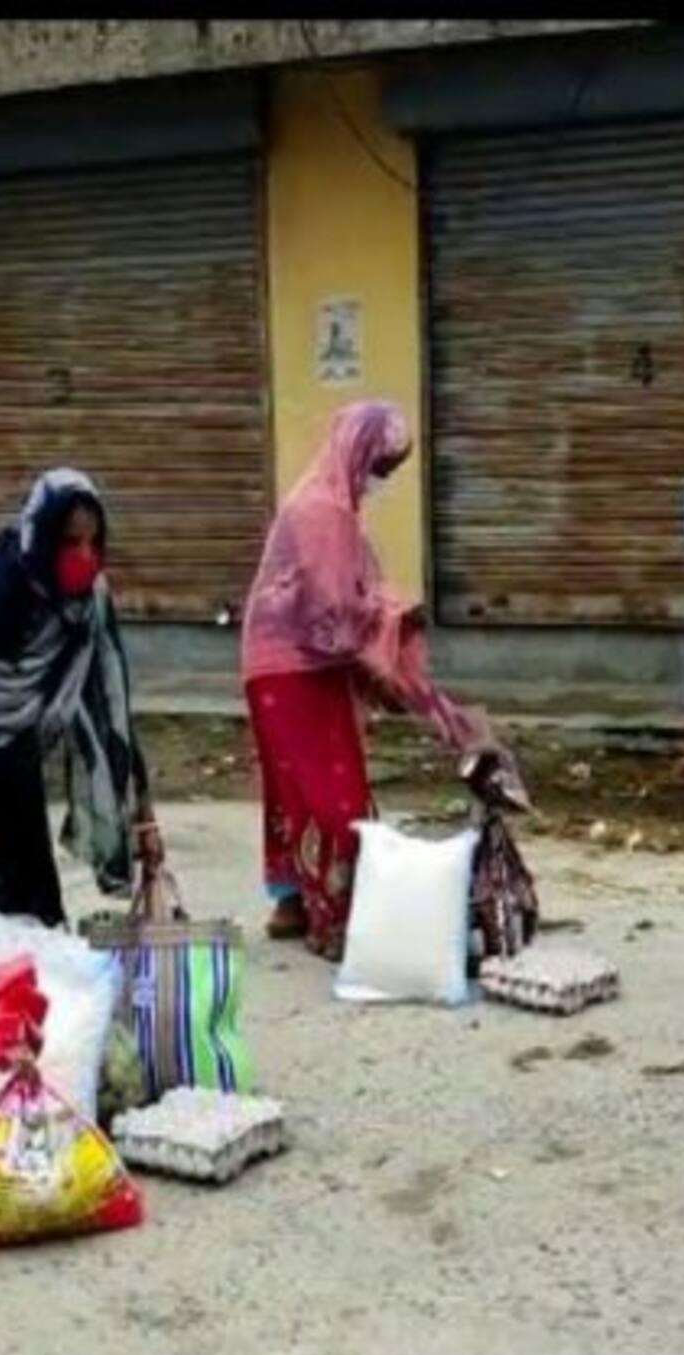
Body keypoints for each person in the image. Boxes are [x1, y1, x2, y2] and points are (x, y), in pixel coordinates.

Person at [242, 400, 500, 963]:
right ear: (355, 452)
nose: (382, 478)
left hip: (284, 663)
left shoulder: (330, 506)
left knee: (295, 786)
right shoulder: (322, 512)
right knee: (333, 794)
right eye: (382, 466)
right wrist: (392, 629)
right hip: (294, 666)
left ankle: (292, 904)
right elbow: (335, 613)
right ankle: (335, 919)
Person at [0, 469, 163, 1014]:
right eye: (70, 542)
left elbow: (111, 705)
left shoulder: (86, 603)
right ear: (42, 537)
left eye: (93, 542)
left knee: (32, 893)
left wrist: (144, 816)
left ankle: (41, 1030)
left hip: (13, 746)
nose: (84, 556)